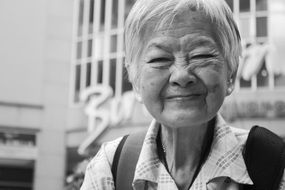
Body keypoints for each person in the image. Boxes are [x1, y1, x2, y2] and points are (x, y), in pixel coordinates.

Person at [80, 0, 285, 189]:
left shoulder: (274, 164)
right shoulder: (108, 168)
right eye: (159, 59)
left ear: (231, 72)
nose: (181, 75)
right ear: (134, 78)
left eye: (201, 55)